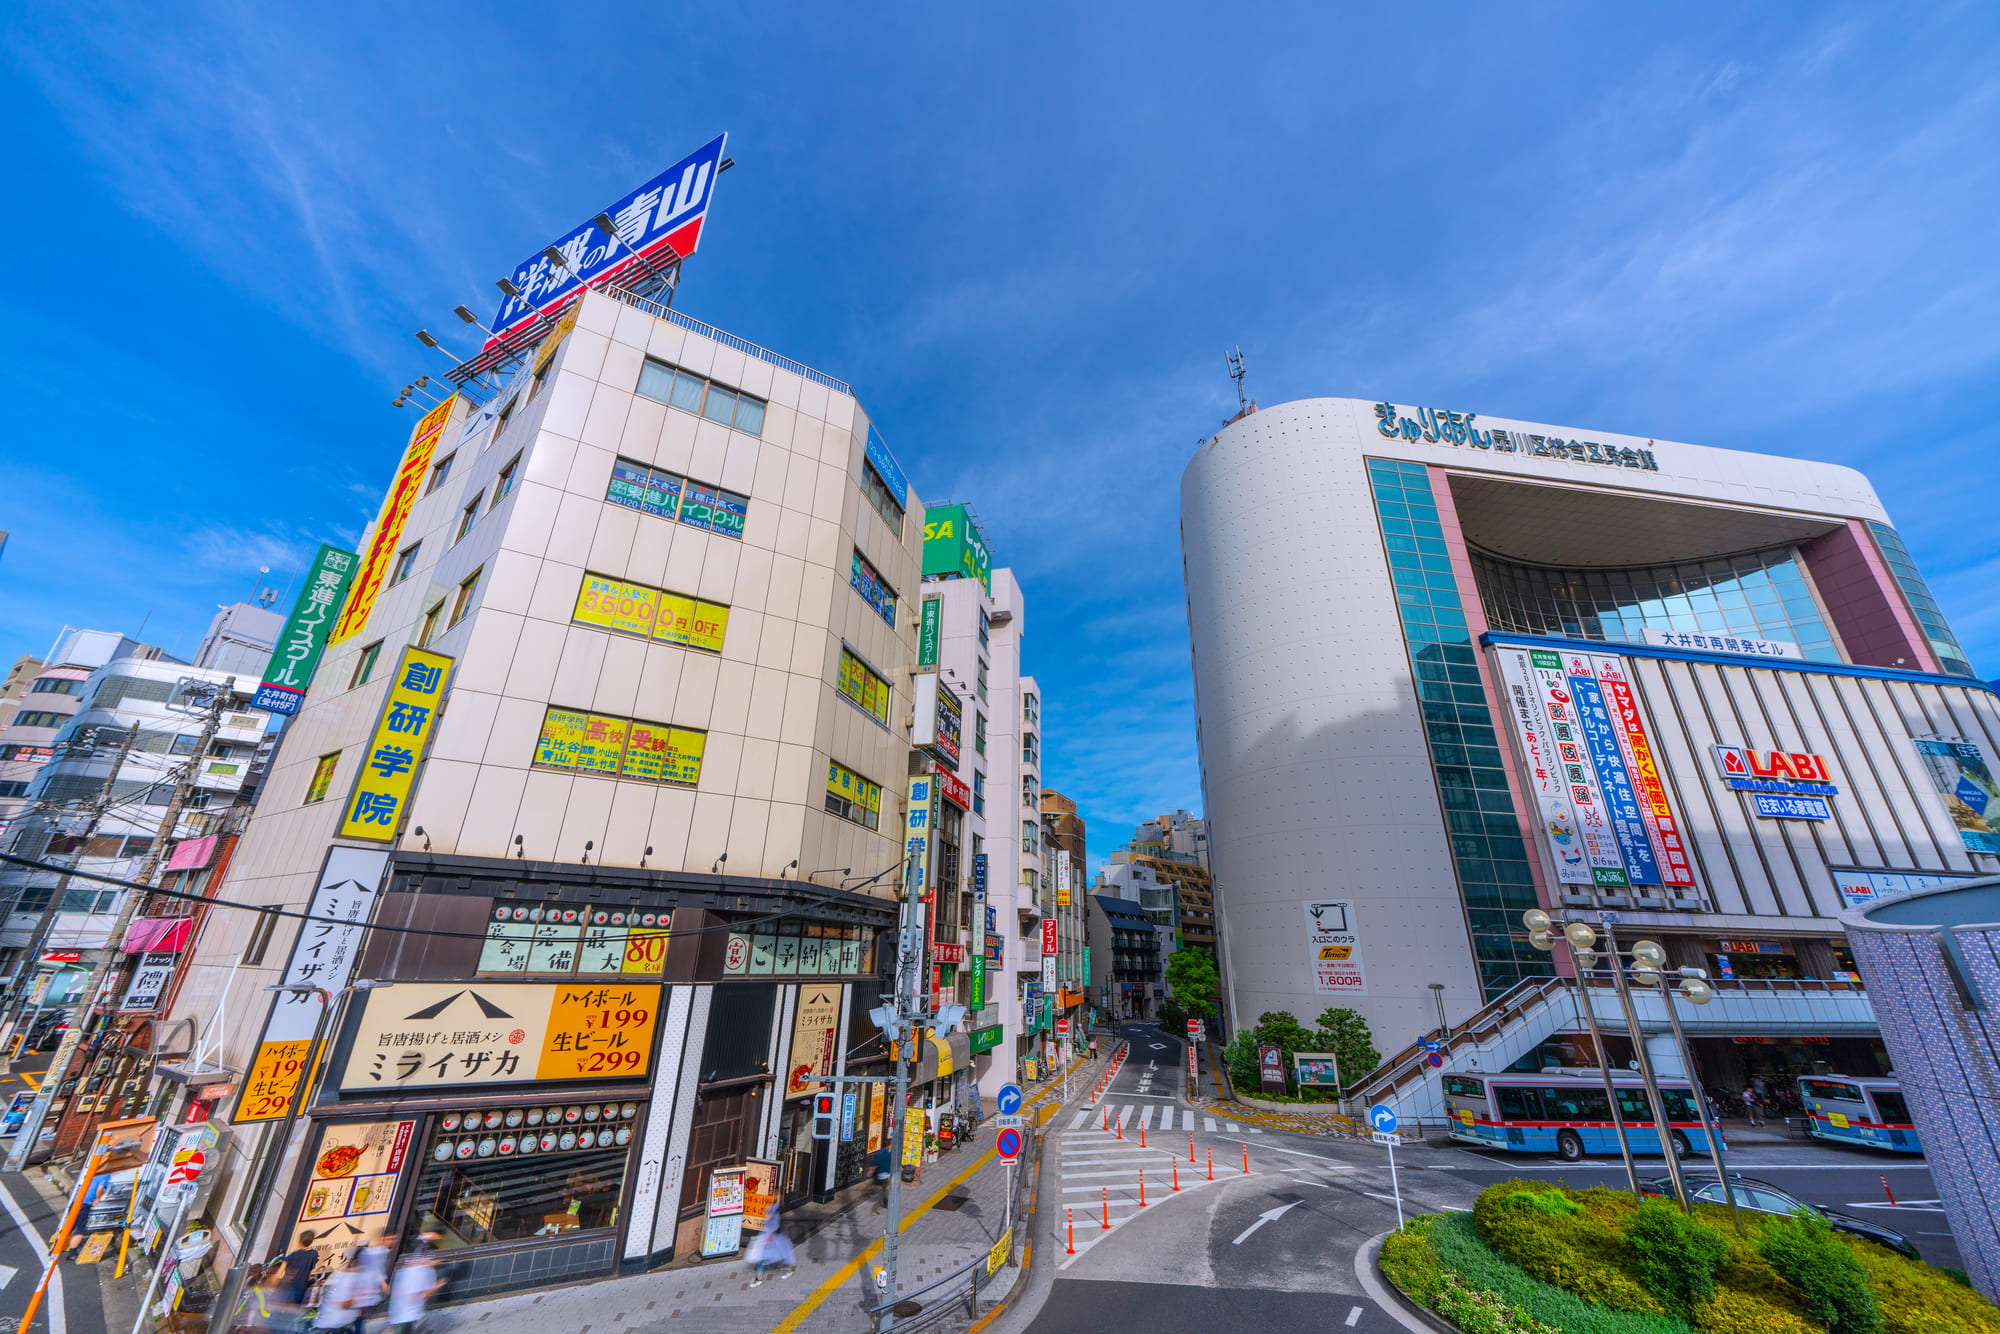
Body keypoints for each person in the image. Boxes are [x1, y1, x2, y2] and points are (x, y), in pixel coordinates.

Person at [386, 1247, 445, 1334]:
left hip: (404, 1315)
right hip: (406, 1316)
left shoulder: (406, 1271)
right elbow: (417, 1296)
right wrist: (436, 1287)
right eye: (427, 1259)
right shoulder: (416, 1273)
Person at [312, 1248, 371, 1334]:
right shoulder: (348, 1278)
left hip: (337, 1323)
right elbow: (342, 1304)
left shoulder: (343, 1274)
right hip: (335, 1325)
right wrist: (359, 1299)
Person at [746, 1207, 795, 1286]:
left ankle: (789, 1270)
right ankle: (759, 1278)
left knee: (782, 1257)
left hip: (774, 1245)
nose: (765, 1215)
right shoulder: (769, 1221)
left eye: (767, 1213)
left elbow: (771, 1232)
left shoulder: (774, 1223)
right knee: (761, 1260)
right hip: (767, 1246)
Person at [278, 1232, 320, 1308]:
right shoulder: (313, 1254)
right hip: (301, 1287)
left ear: (300, 1242)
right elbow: (309, 1272)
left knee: (280, 1308)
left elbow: (279, 1272)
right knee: (294, 1310)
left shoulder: (293, 1255)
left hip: (287, 1287)